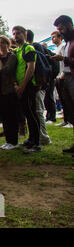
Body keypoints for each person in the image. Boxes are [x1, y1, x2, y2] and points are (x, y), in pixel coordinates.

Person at [12, 26, 41, 154]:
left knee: (32, 114)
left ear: (25, 34)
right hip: (20, 86)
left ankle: (36, 143)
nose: (16, 36)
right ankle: (31, 139)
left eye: (18, 33)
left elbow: (31, 68)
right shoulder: (18, 50)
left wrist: (23, 85)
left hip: (28, 86)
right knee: (27, 114)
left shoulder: (29, 48)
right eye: (14, 34)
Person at [51, 15, 74, 155]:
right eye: (59, 30)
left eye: (62, 29)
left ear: (69, 25)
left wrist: (64, 58)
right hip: (66, 79)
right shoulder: (68, 43)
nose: (60, 32)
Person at [0, 36, 19, 149]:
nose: (0, 45)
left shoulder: (11, 56)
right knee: (4, 116)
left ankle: (13, 141)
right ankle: (8, 140)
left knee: (11, 116)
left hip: (9, 89)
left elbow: (6, 71)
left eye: (3, 42)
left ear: (8, 44)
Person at [26, 30, 52, 145]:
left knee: (38, 110)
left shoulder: (34, 48)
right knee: (35, 111)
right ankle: (36, 137)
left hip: (38, 84)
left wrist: (39, 83)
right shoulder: (36, 47)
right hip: (38, 84)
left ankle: (44, 137)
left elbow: (38, 67)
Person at [52, 31, 71, 127]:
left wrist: (63, 73)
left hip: (63, 76)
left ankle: (70, 121)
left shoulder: (63, 46)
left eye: (54, 37)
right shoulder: (56, 48)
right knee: (62, 99)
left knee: (67, 99)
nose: (52, 39)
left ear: (60, 37)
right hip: (58, 76)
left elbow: (64, 61)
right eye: (51, 37)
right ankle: (66, 120)